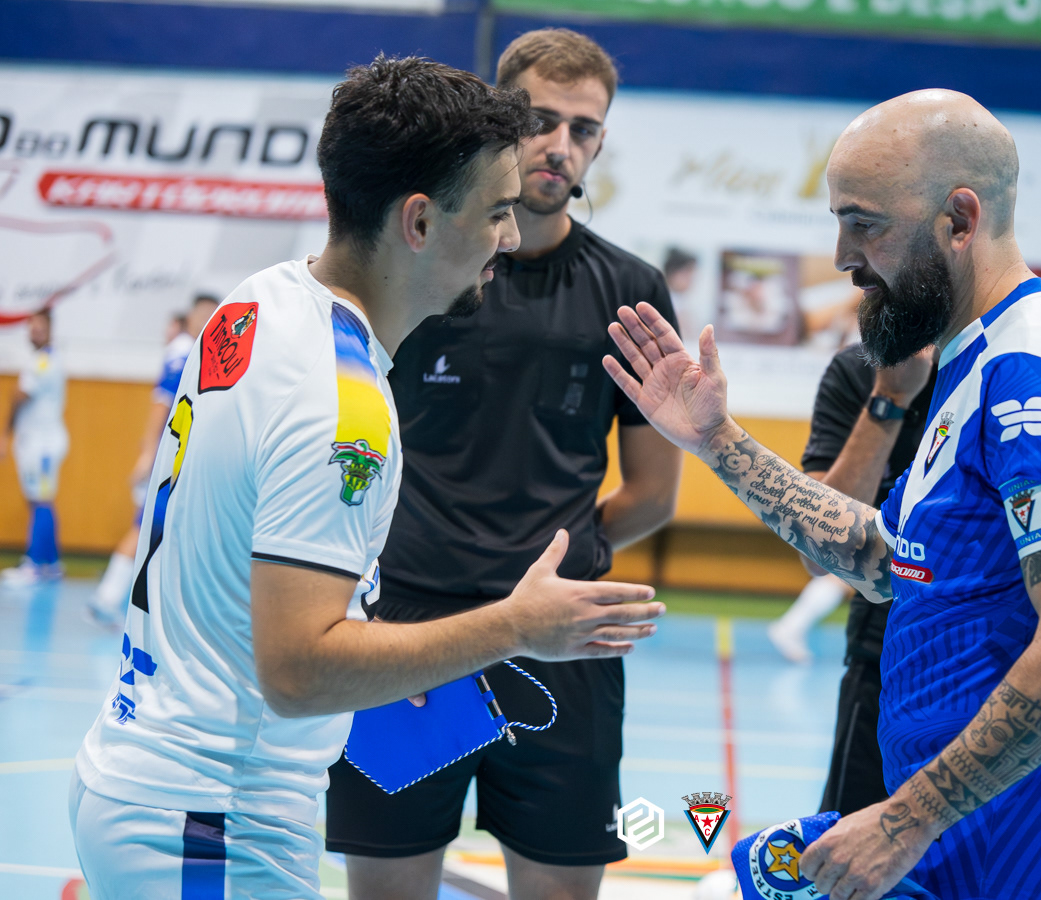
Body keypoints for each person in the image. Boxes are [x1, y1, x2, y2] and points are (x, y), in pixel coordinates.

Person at [69, 56, 664, 900]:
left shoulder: (257, 302)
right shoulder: (344, 408)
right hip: (211, 817)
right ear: (419, 221)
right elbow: (301, 671)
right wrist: (515, 626)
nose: (507, 237)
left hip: (153, 778)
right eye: (495, 212)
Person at [604, 89, 1041, 900]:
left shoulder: (1032, 376)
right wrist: (717, 441)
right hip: (964, 839)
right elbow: (884, 562)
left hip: (1021, 852)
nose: (842, 257)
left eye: (865, 224)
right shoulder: (981, 360)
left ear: (959, 220)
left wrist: (905, 820)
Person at [325, 30, 683, 900]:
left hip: (566, 639)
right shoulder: (418, 270)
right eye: (540, 120)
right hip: (405, 631)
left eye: (584, 129)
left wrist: (556, 554)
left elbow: (651, 494)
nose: (561, 145)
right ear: (499, 120)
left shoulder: (631, 293)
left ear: (600, 141)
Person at [768, 348, 934, 668]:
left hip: (968, 609)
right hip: (882, 607)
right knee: (841, 571)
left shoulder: (991, 362)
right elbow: (820, 552)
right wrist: (890, 398)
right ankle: (791, 626)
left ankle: (791, 625)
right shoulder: (855, 370)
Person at [88, 295, 219, 624]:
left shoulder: (201, 351)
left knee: (166, 528)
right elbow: (161, 405)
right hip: (170, 460)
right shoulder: (183, 351)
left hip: (185, 459)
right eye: (205, 314)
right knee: (147, 524)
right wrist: (148, 454)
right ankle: (106, 598)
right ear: (193, 317)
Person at [1, 308, 67, 586]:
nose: (35, 331)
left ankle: (35, 564)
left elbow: (21, 395)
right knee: (40, 499)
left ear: (50, 330)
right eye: (32, 327)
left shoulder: (42, 363)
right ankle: (51, 563)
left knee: (40, 500)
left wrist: (4, 433)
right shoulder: (42, 359)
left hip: (42, 445)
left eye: (40, 327)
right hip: (39, 442)